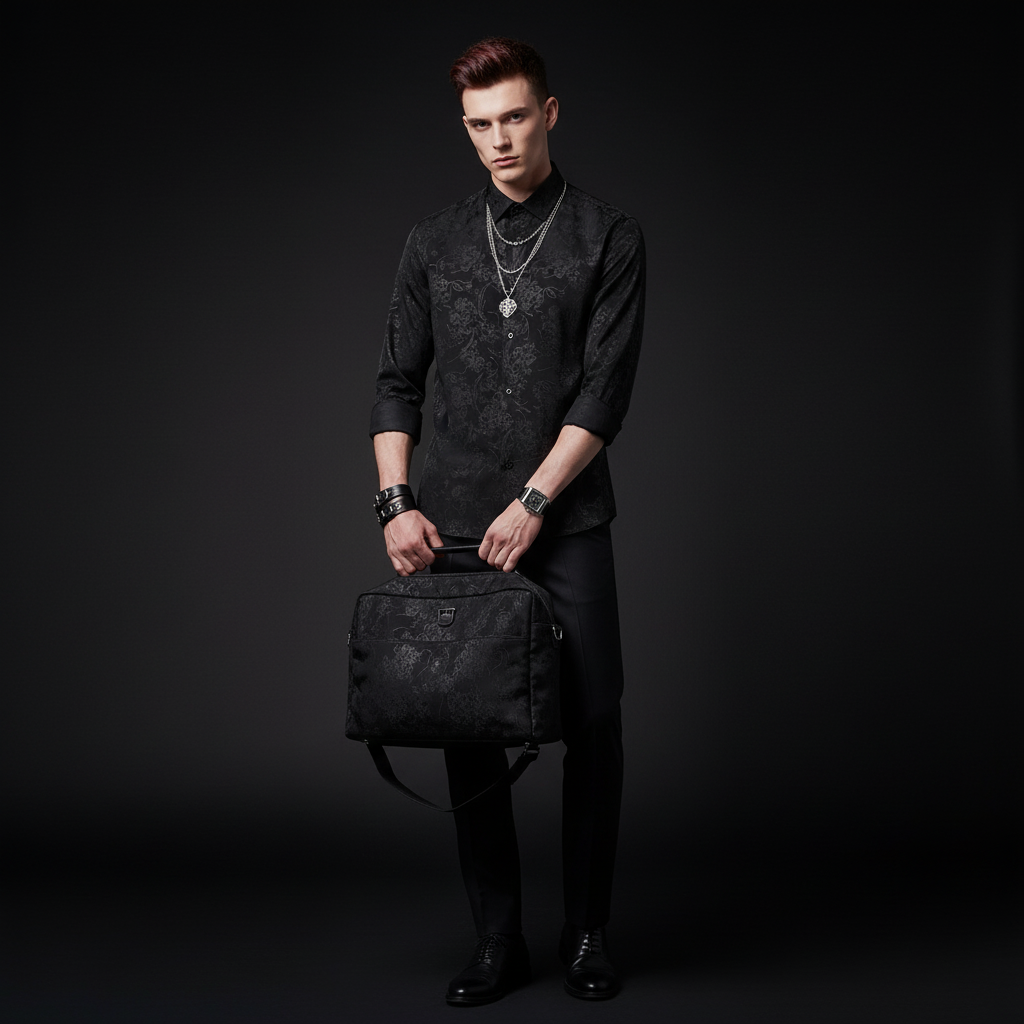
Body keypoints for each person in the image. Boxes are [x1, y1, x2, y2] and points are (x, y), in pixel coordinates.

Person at [369, 36, 645, 1005]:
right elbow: (396, 382)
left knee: (594, 725)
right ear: (465, 128)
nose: (499, 139)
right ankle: (497, 939)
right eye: (481, 124)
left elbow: (604, 394)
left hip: (564, 522)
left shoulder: (608, 236)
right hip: (452, 527)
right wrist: (396, 501)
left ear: (549, 114)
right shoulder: (433, 241)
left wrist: (534, 500)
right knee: (468, 728)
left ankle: (587, 934)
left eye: (516, 117)